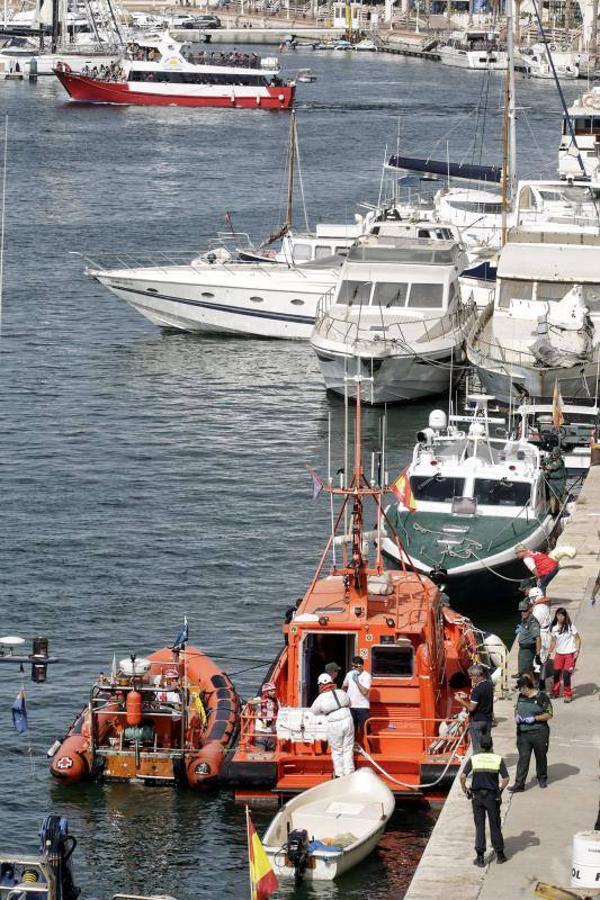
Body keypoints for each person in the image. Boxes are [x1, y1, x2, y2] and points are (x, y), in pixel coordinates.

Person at [460, 733, 509, 867]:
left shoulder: (474, 759)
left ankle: (480, 858)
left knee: (480, 826)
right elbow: (506, 778)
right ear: (492, 745)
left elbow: (463, 776)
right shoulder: (498, 759)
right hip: (492, 797)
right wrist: (500, 790)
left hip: (477, 797)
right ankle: (500, 855)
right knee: (495, 825)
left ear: (480, 746)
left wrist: (465, 789)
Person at [508, 674, 553, 792]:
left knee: (541, 756)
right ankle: (519, 784)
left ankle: (542, 778)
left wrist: (535, 719)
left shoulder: (542, 697)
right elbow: (517, 709)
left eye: (520, 688)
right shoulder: (520, 697)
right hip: (523, 734)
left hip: (539, 733)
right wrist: (516, 716)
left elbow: (549, 714)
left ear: (526, 688)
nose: (519, 691)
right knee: (523, 758)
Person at [310, 673, 355, 778]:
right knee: (348, 748)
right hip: (348, 719)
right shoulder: (341, 692)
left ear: (321, 684)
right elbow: (349, 703)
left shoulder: (320, 698)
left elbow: (314, 711)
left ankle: (339, 774)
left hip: (334, 723)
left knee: (337, 750)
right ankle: (349, 772)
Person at [454, 664, 494, 752]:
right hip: (488, 720)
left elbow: (471, 708)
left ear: (477, 676)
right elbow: (482, 699)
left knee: (477, 748)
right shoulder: (489, 685)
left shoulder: (477, 689)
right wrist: (469, 696)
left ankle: (478, 764)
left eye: (471, 676)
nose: (470, 678)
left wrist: (460, 700)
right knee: (487, 746)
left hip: (477, 721)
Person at [549, 607, 582, 703]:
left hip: (569, 654)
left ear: (565, 616)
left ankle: (568, 694)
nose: (560, 617)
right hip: (559, 654)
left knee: (566, 675)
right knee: (556, 674)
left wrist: (577, 651)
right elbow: (553, 641)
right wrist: (549, 652)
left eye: (562, 615)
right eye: (558, 615)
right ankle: (555, 692)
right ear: (556, 616)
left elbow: (578, 639)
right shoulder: (554, 628)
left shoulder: (571, 626)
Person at [528, 587, 551, 689]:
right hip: (546, 633)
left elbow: (533, 621)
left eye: (531, 598)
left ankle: (539, 685)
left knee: (537, 662)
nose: (531, 600)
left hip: (542, 635)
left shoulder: (539, 608)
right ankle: (541, 683)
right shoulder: (545, 605)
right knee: (544, 660)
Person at [342, 656, 371, 734]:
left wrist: (357, 681)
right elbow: (344, 686)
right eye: (352, 666)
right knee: (351, 730)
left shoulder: (367, 676)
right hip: (350, 706)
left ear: (361, 666)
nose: (353, 668)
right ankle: (352, 745)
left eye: (355, 666)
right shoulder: (349, 674)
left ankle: (370, 746)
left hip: (362, 707)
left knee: (366, 729)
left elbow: (365, 692)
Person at [248, 682, 278, 750]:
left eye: (274, 690)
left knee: (271, 751)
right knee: (260, 751)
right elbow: (250, 702)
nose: (274, 692)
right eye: (271, 691)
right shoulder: (259, 699)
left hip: (272, 731)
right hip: (260, 731)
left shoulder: (276, 701)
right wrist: (262, 701)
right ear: (266, 692)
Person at [516, 598, 541, 676]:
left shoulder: (532, 622)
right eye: (521, 611)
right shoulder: (524, 619)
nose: (523, 613)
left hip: (528, 649)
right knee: (522, 666)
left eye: (525, 610)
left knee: (526, 670)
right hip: (523, 648)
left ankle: (527, 682)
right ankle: (520, 674)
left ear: (530, 610)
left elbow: (538, 638)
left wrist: (537, 654)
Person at [544, 447, 567, 516]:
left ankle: (561, 511)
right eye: (554, 454)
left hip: (559, 481)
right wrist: (545, 464)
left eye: (556, 454)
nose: (554, 455)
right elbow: (545, 464)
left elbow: (550, 467)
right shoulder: (550, 460)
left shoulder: (560, 461)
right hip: (551, 480)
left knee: (559, 496)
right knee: (552, 496)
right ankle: (553, 512)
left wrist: (546, 466)